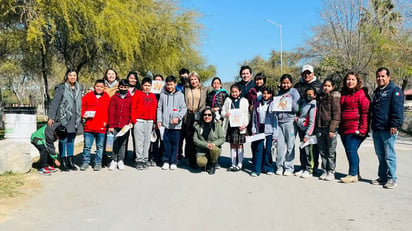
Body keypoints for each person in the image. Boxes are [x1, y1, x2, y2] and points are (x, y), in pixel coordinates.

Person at [371, 67, 404, 189]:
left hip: (388, 129)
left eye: (383, 76)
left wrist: (395, 124)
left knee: (389, 155)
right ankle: (382, 177)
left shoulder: (395, 91)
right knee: (380, 154)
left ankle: (392, 179)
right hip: (377, 128)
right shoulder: (377, 92)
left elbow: (398, 109)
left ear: (388, 77)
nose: (380, 78)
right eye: (378, 76)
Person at [47, 69, 83, 172]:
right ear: (67, 76)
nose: (72, 77)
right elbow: (55, 102)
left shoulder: (79, 87)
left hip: (75, 118)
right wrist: (51, 117)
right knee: (63, 139)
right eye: (70, 75)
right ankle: (63, 162)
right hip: (64, 117)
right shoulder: (61, 88)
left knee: (71, 139)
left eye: (74, 75)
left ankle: (70, 161)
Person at [339, 72, 370, 183]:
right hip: (344, 127)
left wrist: (363, 129)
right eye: (348, 79)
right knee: (350, 151)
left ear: (357, 81)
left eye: (353, 79)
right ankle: (356, 173)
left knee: (351, 150)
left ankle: (352, 174)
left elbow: (365, 112)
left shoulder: (361, 94)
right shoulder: (344, 93)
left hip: (355, 127)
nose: (350, 81)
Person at [294, 64, 322, 172]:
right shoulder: (298, 86)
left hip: (314, 120)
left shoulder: (319, 85)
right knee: (303, 144)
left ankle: (313, 167)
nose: (307, 75)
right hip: (301, 121)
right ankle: (303, 166)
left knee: (313, 146)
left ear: (313, 74)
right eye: (304, 73)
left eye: (309, 73)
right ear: (302, 74)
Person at [80, 79, 111, 171]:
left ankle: (98, 162)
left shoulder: (107, 97)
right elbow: (81, 107)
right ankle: (85, 161)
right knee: (87, 146)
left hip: (101, 128)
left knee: (100, 147)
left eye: (101, 87)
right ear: (94, 86)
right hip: (89, 127)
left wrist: (106, 121)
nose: (99, 88)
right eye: (97, 86)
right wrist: (83, 114)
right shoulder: (87, 96)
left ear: (104, 88)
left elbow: (110, 111)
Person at [157, 75, 187, 170]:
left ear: (175, 84)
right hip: (165, 125)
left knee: (175, 144)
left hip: (176, 126)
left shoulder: (180, 95)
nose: (169, 86)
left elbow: (183, 108)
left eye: (171, 84)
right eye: (168, 84)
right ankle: (166, 160)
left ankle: (173, 161)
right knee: (166, 144)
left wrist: (178, 117)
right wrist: (159, 120)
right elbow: (159, 108)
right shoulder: (163, 95)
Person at [315, 78, 341, 181]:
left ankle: (331, 171)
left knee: (331, 151)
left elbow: (336, 115)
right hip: (320, 128)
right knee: (322, 151)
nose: (326, 88)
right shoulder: (320, 97)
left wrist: (332, 129)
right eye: (325, 86)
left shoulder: (334, 98)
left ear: (333, 87)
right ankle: (324, 170)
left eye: (329, 86)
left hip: (330, 129)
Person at [275, 74, 300, 176]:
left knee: (290, 145)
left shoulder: (294, 92)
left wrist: (288, 99)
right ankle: (279, 166)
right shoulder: (279, 93)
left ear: (291, 83)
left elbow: (297, 108)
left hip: (290, 122)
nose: (285, 85)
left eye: (287, 83)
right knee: (280, 147)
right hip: (279, 123)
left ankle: (289, 167)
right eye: (283, 83)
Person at [250, 86, 278, 177]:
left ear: (271, 94)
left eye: (268, 93)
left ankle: (268, 167)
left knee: (268, 150)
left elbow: (275, 120)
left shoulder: (274, 104)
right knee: (259, 149)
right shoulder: (257, 104)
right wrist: (254, 129)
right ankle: (256, 169)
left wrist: (275, 134)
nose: (266, 95)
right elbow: (254, 118)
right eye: (264, 93)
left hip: (269, 129)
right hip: (259, 128)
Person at [221, 84, 249, 171]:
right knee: (232, 145)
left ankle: (240, 164)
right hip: (231, 126)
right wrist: (225, 114)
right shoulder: (228, 100)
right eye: (232, 92)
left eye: (236, 91)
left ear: (240, 92)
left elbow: (246, 114)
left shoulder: (244, 101)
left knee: (239, 145)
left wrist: (245, 124)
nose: (234, 93)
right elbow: (223, 111)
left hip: (240, 127)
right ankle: (233, 163)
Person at [132, 77, 158, 170]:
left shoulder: (152, 96)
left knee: (147, 141)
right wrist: (134, 120)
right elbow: (133, 108)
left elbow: (155, 109)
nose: (147, 87)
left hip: (149, 121)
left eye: (148, 85)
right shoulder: (137, 94)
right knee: (139, 141)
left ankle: (145, 159)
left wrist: (154, 121)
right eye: (145, 85)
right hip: (139, 120)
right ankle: (139, 160)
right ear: (142, 86)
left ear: (151, 86)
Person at [183, 71, 207, 168]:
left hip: (199, 115)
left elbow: (205, 103)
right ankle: (190, 159)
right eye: (191, 79)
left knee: (197, 137)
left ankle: (199, 159)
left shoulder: (204, 90)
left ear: (198, 80)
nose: (193, 81)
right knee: (188, 138)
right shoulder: (186, 89)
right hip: (188, 115)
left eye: (195, 79)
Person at [107, 79, 133, 171]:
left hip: (125, 126)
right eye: (121, 87)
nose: (123, 88)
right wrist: (110, 125)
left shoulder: (130, 98)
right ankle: (113, 160)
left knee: (123, 143)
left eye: (125, 87)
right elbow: (111, 111)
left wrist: (130, 122)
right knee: (114, 142)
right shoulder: (114, 97)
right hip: (115, 124)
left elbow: (131, 111)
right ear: (118, 87)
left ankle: (120, 160)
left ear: (128, 88)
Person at [193, 107, 225, 175]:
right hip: (202, 150)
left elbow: (222, 138)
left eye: (209, 115)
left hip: (213, 148)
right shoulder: (198, 126)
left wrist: (213, 144)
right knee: (200, 162)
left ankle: (212, 164)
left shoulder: (217, 125)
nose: (207, 116)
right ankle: (206, 164)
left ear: (212, 116)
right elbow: (195, 139)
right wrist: (206, 145)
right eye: (205, 115)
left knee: (215, 150)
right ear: (202, 116)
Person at [294, 87, 317, 178]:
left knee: (308, 151)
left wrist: (308, 135)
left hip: (308, 133)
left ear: (314, 95)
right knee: (302, 149)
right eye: (307, 94)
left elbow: (312, 122)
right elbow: (301, 115)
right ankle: (303, 167)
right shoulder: (304, 103)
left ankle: (309, 169)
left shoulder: (313, 105)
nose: (308, 96)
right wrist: (298, 119)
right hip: (301, 129)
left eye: (310, 94)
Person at [247, 72, 266, 164]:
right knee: (254, 140)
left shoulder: (267, 90)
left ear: (264, 80)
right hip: (254, 118)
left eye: (261, 79)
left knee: (265, 141)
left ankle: (264, 161)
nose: (259, 81)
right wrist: (250, 106)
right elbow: (248, 102)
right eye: (257, 79)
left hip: (265, 119)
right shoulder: (251, 91)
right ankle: (255, 159)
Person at [149, 74, 165, 166]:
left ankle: (160, 157)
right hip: (153, 120)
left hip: (163, 120)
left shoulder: (164, 94)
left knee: (162, 140)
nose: (158, 81)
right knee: (154, 140)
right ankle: (153, 157)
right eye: (156, 80)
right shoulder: (151, 94)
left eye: (160, 80)